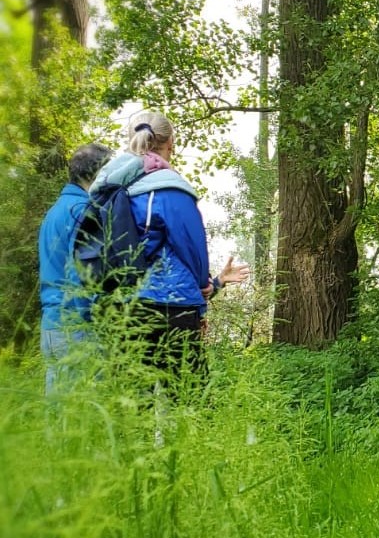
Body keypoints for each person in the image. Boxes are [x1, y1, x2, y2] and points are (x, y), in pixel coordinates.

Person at [90, 111, 248, 382]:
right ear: (170, 142)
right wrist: (206, 284)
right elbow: (192, 247)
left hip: (122, 307)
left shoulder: (109, 187)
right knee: (188, 396)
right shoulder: (170, 188)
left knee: (133, 400)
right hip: (172, 307)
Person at [38, 143, 114, 392]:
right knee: (86, 407)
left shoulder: (55, 211)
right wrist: (92, 320)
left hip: (52, 325)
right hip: (76, 326)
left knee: (58, 407)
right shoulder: (82, 211)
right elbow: (81, 272)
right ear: (97, 173)